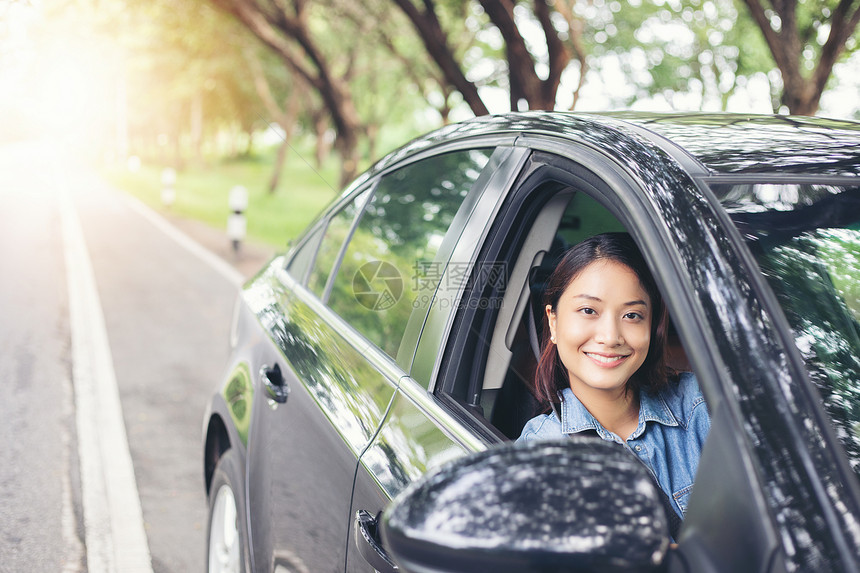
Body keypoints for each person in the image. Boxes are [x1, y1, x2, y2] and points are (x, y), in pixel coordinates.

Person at [518, 232, 710, 526]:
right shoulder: (540, 455)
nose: (610, 337)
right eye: (588, 311)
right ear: (553, 322)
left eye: (632, 315)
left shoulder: (701, 404)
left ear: (652, 327)